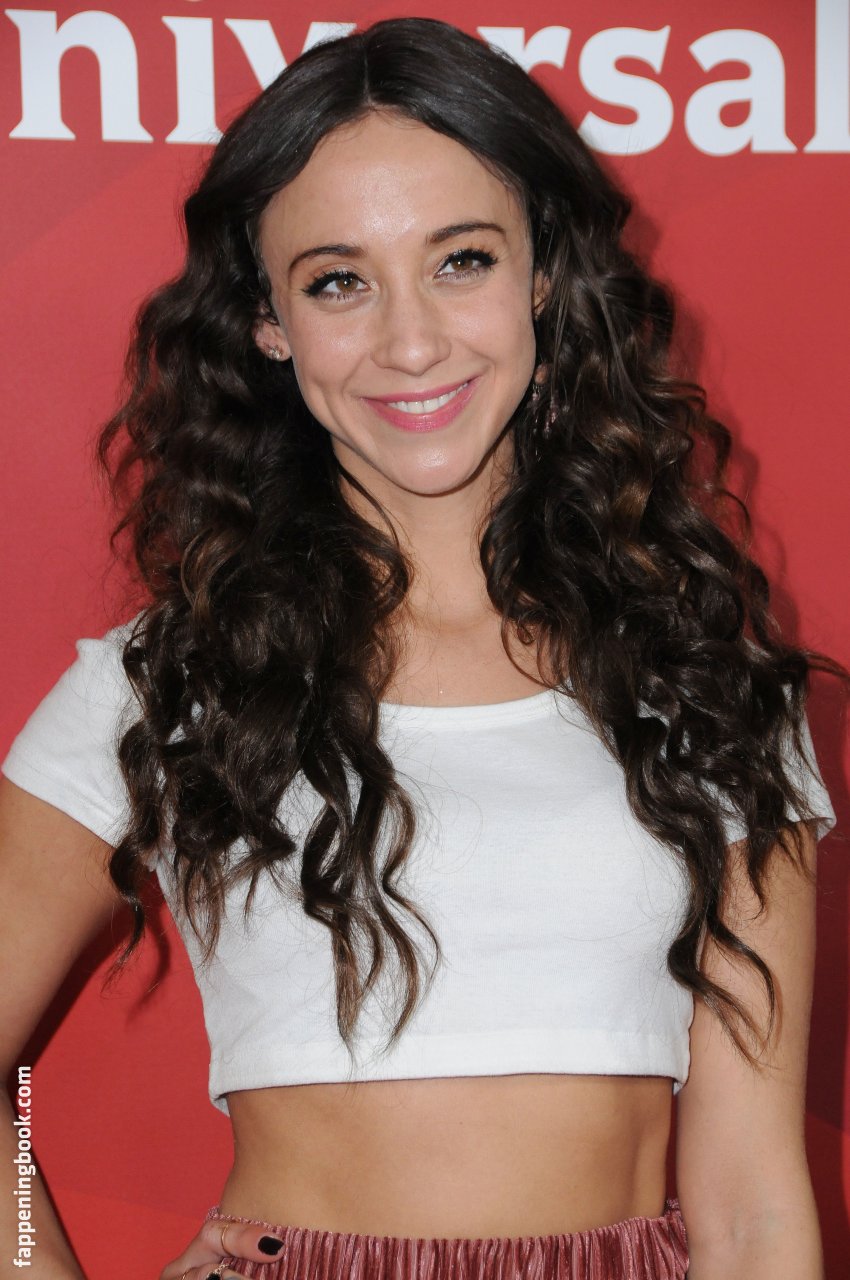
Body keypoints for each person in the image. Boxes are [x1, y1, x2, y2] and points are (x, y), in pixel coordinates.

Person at [0, 16, 845, 1280]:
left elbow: (753, 1209)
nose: (410, 341)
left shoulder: (703, 679)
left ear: (544, 274)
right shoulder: (164, 683)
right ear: (268, 321)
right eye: (337, 281)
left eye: (461, 260)